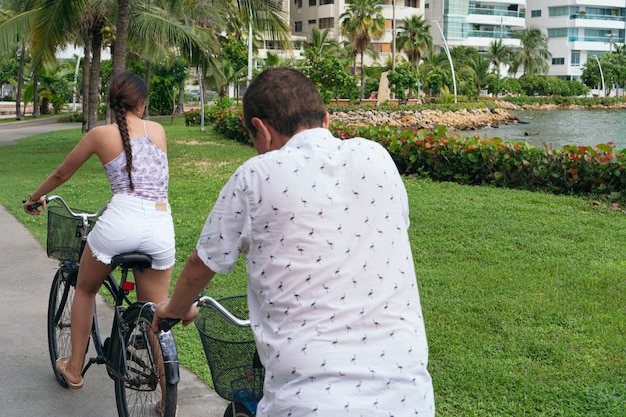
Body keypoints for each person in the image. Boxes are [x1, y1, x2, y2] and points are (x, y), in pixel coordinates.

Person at [152, 67, 435, 416]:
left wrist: (174, 308)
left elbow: (202, 262)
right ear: (326, 120)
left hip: (309, 400)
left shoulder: (256, 175)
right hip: (409, 397)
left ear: (261, 129)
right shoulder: (378, 158)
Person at [23, 71, 175, 400]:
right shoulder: (159, 131)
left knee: (85, 288)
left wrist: (35, 197)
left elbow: (62, 172)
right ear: (143, 103)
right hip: (161, 226)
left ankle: (75, 369)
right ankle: (168, 399)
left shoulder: (99, 134)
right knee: (155, 313)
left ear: (110, 102)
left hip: (119, 224)